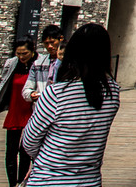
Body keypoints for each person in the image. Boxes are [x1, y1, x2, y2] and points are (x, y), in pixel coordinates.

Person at [21, 23, 121, 187]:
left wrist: (45, 159)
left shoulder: (56, 94)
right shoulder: (113, 93)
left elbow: (29, 141)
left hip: (49, 180)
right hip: (90, 181)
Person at [0, 39, 37, 186]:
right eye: (18, 53)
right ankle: (12, 183)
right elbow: (4, 82)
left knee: (25, 150)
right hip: (15, 110)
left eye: (25, 53)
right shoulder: (12, 63)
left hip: (31, 110)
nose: (21, 56)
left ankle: (22, 181)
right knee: (11, 151)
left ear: (32, 51)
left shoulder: (39, 64)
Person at [24, 25, 63, 104]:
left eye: (52, 42)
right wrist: (31, 94)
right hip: (41, 108)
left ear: (61, 39)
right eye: (46, 43)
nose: (49, 46)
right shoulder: (38, 64)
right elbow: (26, 89)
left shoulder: (71, 63)